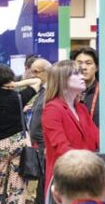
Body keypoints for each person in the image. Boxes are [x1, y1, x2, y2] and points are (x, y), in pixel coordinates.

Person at [0, 65, 39, 204]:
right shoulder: (18, 96)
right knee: (17, 188)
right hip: (18, 143)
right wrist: (15, 85)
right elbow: (38, 81)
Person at [41, 60, 99, 193]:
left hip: (87, 176)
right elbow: (61, 147)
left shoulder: (81, 108)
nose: (82, 77)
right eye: (76, 74)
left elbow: (96, 137)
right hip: (66, 179)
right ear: (62, 80)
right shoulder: (52, 109)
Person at [25, 58, 52, 204]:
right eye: (31, 70)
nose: (32, 74)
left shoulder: (51, 91)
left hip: (44, 143)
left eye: (36, 71)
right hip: (36, 142)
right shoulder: (41, 90)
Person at [71, 46, 99, 127]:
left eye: (88, 63)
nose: (83, 67)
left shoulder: (104, 94)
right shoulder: (67, 93)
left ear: (96, 67)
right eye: (79, 63)